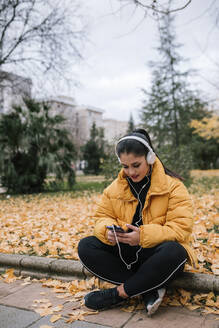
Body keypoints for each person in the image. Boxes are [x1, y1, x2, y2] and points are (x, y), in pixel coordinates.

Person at [78, 129, 196, 316]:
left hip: (156, 254)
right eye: (125, 166)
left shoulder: (174, 187)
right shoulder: (113, 189)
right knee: (86, 246)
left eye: (136, 165)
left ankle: (119, 293)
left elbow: (181, 229)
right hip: (125, 253)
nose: (131, 172)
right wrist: (106, 231)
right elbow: (101, 218)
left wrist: (142, 237)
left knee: (176, 252)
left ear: (149, 158)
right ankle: (147, 288)